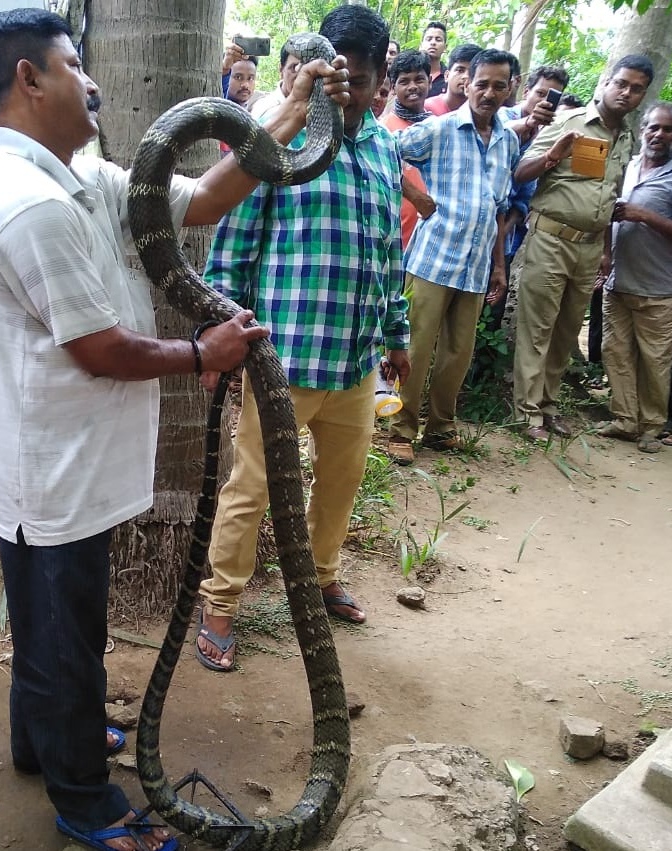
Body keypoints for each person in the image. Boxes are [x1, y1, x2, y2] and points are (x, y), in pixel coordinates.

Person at [0, 8, 349, 849]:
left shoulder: (89, 177)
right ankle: (84, 801)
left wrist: (288, 108)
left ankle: (44, 741)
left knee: (57, 619)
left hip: (77, 460)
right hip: (52, 467)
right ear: (29, 79)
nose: (91, 80)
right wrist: (199, 351)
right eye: (72, 64)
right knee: (62, 630)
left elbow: (207, 198)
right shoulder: (28, 205)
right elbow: (99, 347)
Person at [196, 4, 411, 672]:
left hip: (353, 363)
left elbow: (387, 254)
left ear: (380, 81)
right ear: (320, 71)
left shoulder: (383, 147)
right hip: (282, 361)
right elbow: (231, 246)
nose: (349, 90)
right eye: (337, 75)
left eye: (363, 79)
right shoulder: (275, 137)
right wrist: (219, 330)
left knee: (341, 484)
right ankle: (218, 608)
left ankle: (319, 580)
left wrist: (396, 335)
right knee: (249, 490)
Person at [386, 49, 520, 466]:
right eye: (482, 84)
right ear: (466, 84)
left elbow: (500, 207)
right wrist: (418, 197)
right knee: (417, 348)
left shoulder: (509, 139)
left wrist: (500, 265)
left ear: (510, 88)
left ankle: (441, 428)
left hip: (477, 266)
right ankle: (401, 429)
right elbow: (387, 154)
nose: (489, 93)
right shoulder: (441, 128)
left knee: (458, 354)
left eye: (499, 85)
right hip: (432, 260)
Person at [510, 55, 653, 443]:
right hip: (551, 239)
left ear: (642, 95)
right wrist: (552, 155)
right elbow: (520, 173)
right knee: (537, 328)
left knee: (567, 330)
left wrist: (606, 250)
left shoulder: (627, 138)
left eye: (636, 88)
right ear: (605, 82)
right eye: (621, 83)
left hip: (589, 249)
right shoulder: (566, 122)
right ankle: (527, 414)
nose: (626, 92)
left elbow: (607, 198)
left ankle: (549, 406)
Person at [596, 102, 672, 453]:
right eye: (652, 127)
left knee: (655, 362)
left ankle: (651, 426)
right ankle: (624, 420)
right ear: (642, 129)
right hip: (618, 283)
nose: (658, 134)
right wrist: (605, 254)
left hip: (659, 289)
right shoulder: (628, 168)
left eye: (667, 129)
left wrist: (643, 214)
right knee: (615, 353)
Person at [491, 66, 570, 329]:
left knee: (493, 310)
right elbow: (495, 135)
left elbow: (525, 195)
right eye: (540, 93)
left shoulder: (551, 134)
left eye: (553, 97)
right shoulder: (501, 115)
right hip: (476, 229)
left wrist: (505, 231)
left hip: (509, 234)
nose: (544, 101)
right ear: (526, 91)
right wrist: (529, 123)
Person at [380, 50, 433, 249]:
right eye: (404, 81)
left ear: (429, 80)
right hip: (396, 236)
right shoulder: (383, 130)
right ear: (393, 87)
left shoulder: (439, 128)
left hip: (430, 238)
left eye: (419, 79)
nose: (412, 87)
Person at [424, 43, 481, 116]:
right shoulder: (427, 109)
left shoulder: (481, 113)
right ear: (447, 75)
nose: (466, 76)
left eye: (472, 72)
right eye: (460, 70)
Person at [251, 43, 301, 122]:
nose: (302, 75)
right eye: (294, 68)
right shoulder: (264, 108)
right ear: (281, 69)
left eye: (306, 68)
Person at [420, 21, 448, 97]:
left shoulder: (449, 77)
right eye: (429, 39)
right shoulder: (411, 73)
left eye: (438, 40)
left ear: (445, 47)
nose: (433, 43)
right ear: (421, 45)